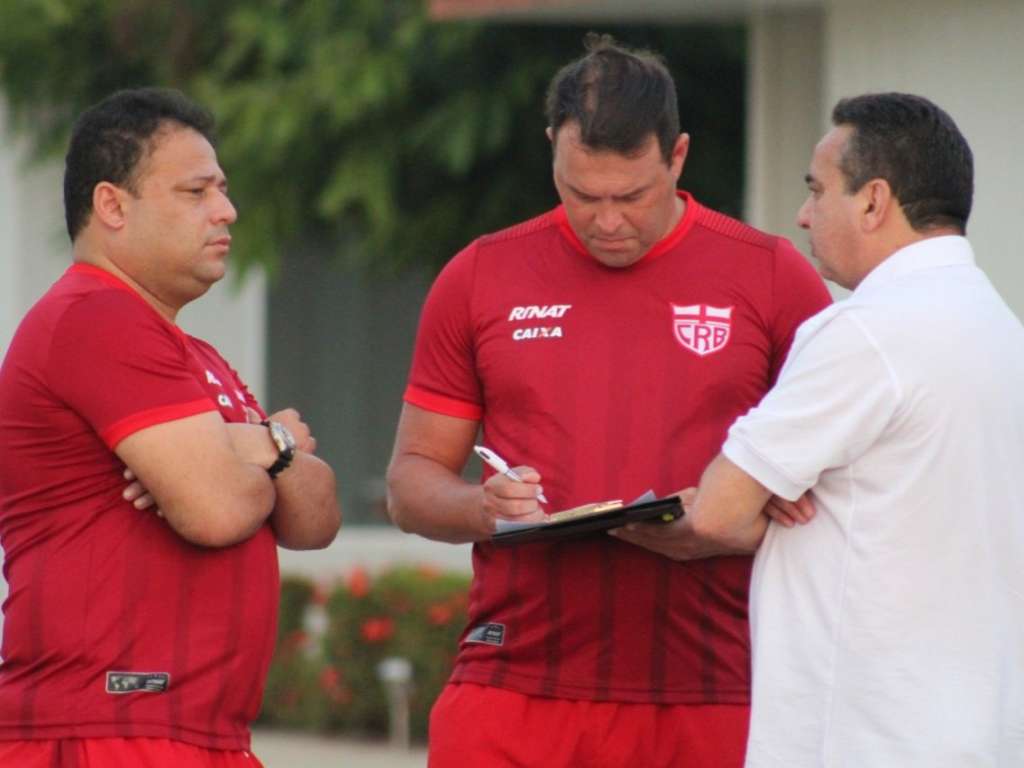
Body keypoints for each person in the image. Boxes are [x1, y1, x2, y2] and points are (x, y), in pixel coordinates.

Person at [386, 35, 831, 767]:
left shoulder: (772, 277)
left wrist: (730, 523)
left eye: (632, 195)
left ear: (678, 158)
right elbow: (411, 483)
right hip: (513, 685)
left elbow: (836, 488)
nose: (607, 220)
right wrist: (484, 510)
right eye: (581, 194)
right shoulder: (480, 275)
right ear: (552, 157)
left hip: (717, 690)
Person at [668, 92, 1024, 765]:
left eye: (817, 190)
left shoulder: (862, 331)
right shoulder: (1004, 333)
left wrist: (751, 496)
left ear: (873, 201)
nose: (803, 215)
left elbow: (716, 514)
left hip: (865, 737)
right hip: (986, 733)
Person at [0, 88, 341, 767]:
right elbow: (215, 510)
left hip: (189, 734)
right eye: (196, 192)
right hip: (105, 727)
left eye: (222, 189)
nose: (227, 210)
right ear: (112, 206)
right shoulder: (96, 316)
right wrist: (268, 445)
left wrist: (251, 451)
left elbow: (314, 520)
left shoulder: (194, 354)